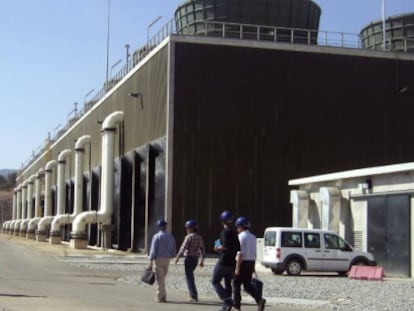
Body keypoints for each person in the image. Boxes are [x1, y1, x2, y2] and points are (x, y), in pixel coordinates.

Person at [233, 216, 266, 311]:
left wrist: (237, 268)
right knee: (247, 284)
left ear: (241, 226)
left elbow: (240, 253)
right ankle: (259, 300)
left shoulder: (240, 237)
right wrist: (253, 267)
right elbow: (254, 253)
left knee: (236, 283)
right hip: (250, 262)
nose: (237, 229)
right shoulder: (253, 237)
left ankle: (237, 305)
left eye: (238, 227)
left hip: (242, 262)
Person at [212, 211, 240, 311]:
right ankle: (226, 307)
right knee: (228, 283)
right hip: (232, 262)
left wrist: (217, 247)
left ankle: (227, 300)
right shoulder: (234, 232)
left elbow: (224, 246)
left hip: (223, 261)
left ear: (222, 221)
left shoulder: (225, 231)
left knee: (215, 281)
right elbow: (237, 247)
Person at [174, 219, 206, 302]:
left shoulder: (188, 237)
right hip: (195, 259)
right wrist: (202, 260)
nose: (186, 229)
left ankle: (193, 295)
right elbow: (202, 248)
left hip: (188, 258)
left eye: (187, 228)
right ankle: (193, 294)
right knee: (190, 275)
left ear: (191, 228)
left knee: (189, 277)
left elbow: (183, 247)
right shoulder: (199, 237)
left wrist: (177, 257)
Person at [148, 219, 176, 303]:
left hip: (159, 258)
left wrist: (151, 260)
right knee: (163, 277)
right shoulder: (170, 236)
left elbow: (153, 249)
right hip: (167, 258)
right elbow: (173, 248)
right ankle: (162, 295)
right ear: (166, 226)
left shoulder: (156, 236)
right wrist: (172, 255)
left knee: (160, 278)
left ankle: (161, 296)